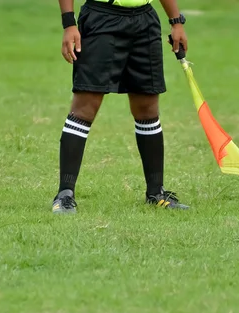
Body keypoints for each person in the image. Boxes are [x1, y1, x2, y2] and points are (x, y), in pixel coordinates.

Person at [53, 0, 189, 213]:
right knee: (85, 107)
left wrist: (176, 21)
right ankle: (65, 195)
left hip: (145, 22)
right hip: (101, 19)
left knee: (147, 108)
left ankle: (156, 193)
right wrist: (69, 24)